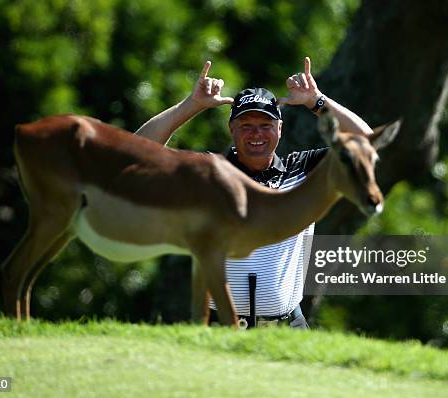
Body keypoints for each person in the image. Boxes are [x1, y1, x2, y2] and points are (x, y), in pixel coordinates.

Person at [135, 57, 373, 328]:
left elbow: (367, 143)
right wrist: (191, 105)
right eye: (246, 125)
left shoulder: (305, 170)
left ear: (280, 130)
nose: (255, 134)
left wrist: (317, 101)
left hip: (287, 328)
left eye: (265, 125)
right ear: (232, 129)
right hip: (219, 327)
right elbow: (135, 154)